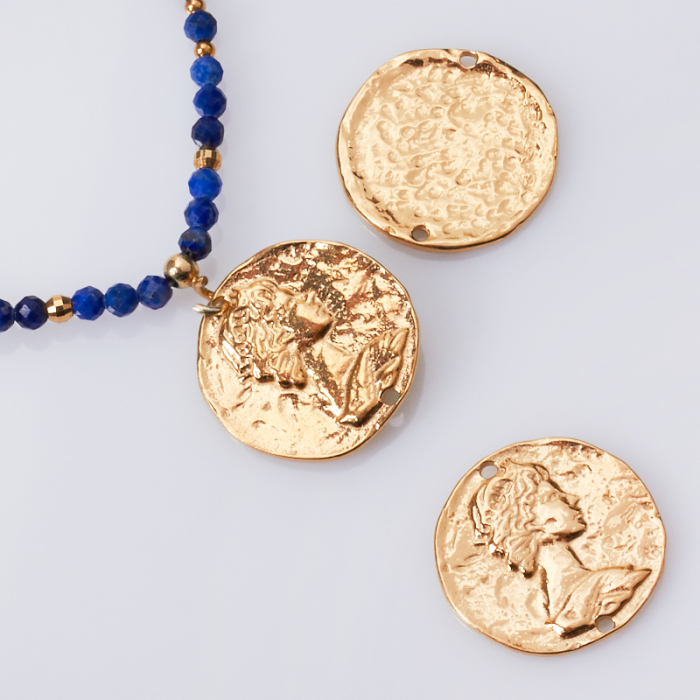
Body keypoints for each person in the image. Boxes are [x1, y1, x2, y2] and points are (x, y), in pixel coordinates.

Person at [471, 460, 650, 637]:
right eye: (552, 497)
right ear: (531, 522)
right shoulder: (610, 585)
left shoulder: (610, 585)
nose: (572, 498)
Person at [220, 279, 408, 425]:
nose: (309, 295)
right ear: (282, 332)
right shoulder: (382, 355)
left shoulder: (384, 350)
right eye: (293, 301)